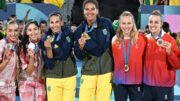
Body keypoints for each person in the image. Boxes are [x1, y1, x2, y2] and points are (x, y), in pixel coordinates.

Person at [74, 0, 115, 101]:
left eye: (93, 9)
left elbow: (114, 43)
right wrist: (81, 47)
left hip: (105, 72)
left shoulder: (106, 23)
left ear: (97, 11)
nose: (90, 12)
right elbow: (79, 56)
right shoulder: (80, 30)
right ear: (83, 11)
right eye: (87, 9)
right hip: (88, 72)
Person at [143, 10, 180, 101]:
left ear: (161, 24)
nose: (153, 25)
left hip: (164, 87)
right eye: (151, 22)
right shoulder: (144, 40)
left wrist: (169, 53)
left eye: (156, 22)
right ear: (148, 23)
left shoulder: (170, 40)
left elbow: (177, 65)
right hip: (147, 86)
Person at [41, 11, 77, 101]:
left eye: (57, 22)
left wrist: (54, 50)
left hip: (69, 76)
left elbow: (64, 53)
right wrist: (49, 49)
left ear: (61, 22)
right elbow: (49, 64)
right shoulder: (45, 39)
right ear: (49, 24)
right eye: (52, 22)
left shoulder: (68, 31)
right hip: (52, 77)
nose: (54, 25)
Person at [112, 11, 146, 101]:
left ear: (133, 23)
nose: (126, 26)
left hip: (136, 81)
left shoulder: (142, 39)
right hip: (119, 81)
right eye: (123, 23)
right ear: (119, 24)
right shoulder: (114, 40)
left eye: (129, 23)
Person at [18, 21, 46, 101]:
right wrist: (32, 57)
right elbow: (29, 72)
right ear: (26, 32)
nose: (33, 32)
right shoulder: (22, 47)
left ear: (39, 30)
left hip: (40, 82)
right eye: (30, 30)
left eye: (35, 29)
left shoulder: (43, 44)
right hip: (26, 82)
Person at [0, 20, 19, 101]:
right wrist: (6, 61)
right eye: (10, 30)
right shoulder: (1, 44)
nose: (13, 33)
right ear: (6, 31)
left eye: (15, 30)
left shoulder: (17, 45)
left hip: (12, 89)